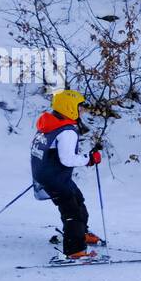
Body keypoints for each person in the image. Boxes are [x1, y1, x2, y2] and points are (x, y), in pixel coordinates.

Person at [30, 89, 102, 260]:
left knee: (78, 199)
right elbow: (68, 159)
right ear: (69, 107)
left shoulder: (49, 122)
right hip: (55, 177)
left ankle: (81, 233)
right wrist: (90, 159)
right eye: (80, 107)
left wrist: (44, 170)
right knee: (72, 212)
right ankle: (75, 250)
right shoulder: (66, 131)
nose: (82, 110)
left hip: (49, 174)